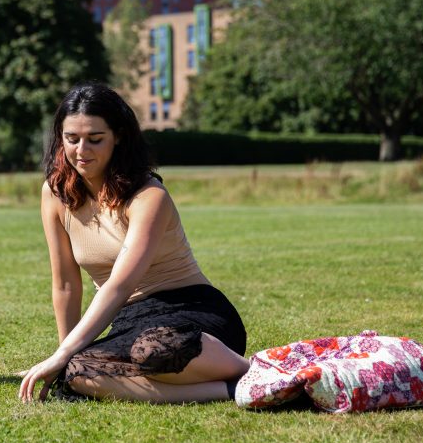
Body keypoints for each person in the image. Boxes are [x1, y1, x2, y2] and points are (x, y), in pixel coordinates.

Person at [19, 83, 250, 403]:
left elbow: (120, 284)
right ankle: (234, 388)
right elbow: (66, 285)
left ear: (119, 137)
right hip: (131, 319)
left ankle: (252, 368)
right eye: (72, 139)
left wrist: (63, 353)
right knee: (78, 373)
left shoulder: (149, 195)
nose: (81, 150)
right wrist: (64, 358)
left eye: (95, 139)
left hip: (191, 311)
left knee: (153, 349)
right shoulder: (54, 194)